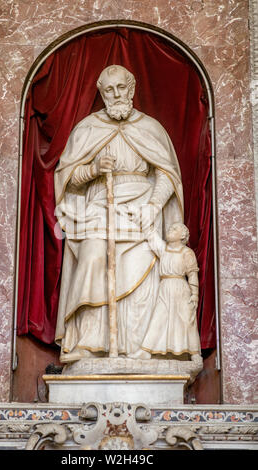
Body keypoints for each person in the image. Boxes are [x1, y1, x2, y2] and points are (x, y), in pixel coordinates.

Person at [54, 64, 184, 363]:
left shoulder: (151, 128)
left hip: (143, 206)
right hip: (100, 206)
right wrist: (93, 170)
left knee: (142, 276)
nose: (115, 94)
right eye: (109, 90)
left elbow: (166, 174)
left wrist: (153, 205)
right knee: (92, 258)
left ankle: (137, 347)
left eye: (120, 88)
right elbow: (67, 178)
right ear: (101, 93)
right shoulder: (88, 128)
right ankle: (88, 342)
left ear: (132, 89)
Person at [129, 219, 201, 361]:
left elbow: (192, 274)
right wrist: (145, 219)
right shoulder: (164, 249)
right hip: (165, 287)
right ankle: (146, 350)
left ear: (182, 236)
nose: (170, 230)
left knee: (187, 320)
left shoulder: (187, 252)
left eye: (174, 229)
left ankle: (194, 353)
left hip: (181, 288)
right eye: (170, 228)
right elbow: (151, 236)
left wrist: (195, 295)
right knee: (159, 317)